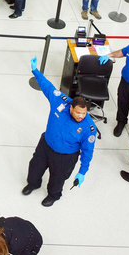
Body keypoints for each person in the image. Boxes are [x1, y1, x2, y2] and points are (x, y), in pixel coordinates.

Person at [23, 59, 96, 207]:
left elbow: (88, 151)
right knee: (35, 167)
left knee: (58, 178)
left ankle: (54, 195)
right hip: (46, 145)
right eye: (78, 113)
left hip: (65, 157)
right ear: (71, 107)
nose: (81, 116)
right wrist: (35, 71)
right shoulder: (60, 101)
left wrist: (82, 171)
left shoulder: (89, 128)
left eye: (84, 113)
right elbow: (47, 87)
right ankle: (33, 184)